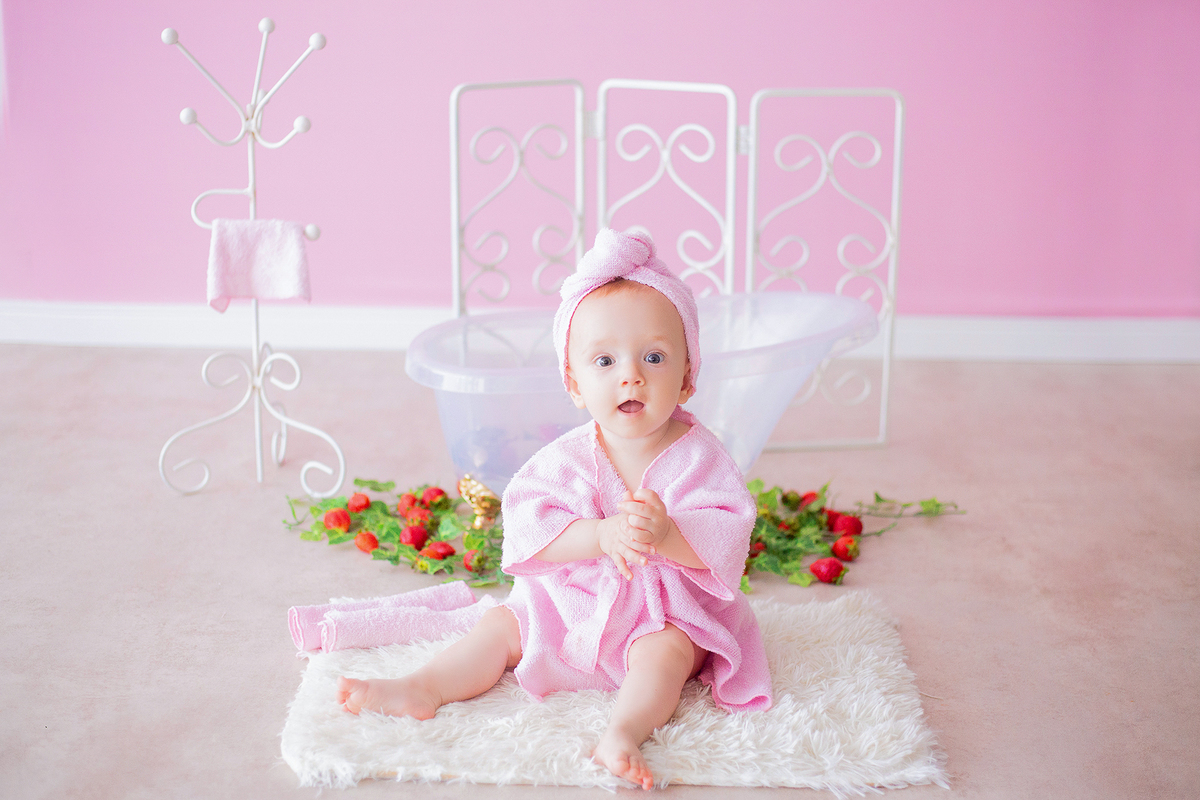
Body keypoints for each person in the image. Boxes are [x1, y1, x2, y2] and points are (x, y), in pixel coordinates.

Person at [337, 229, 772, 789]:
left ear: (687, 377)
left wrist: (667, 534)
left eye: (655, 357)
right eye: (605, 360)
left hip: (663, 609)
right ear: (573, 381)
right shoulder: (567, 459)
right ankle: (423, 686)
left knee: (666, 655)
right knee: (502, 624)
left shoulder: (700, 458)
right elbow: (531, 530)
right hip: (577, 601)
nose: (630, 375)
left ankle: (623, 732)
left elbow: (729, 533)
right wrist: (599, 536)